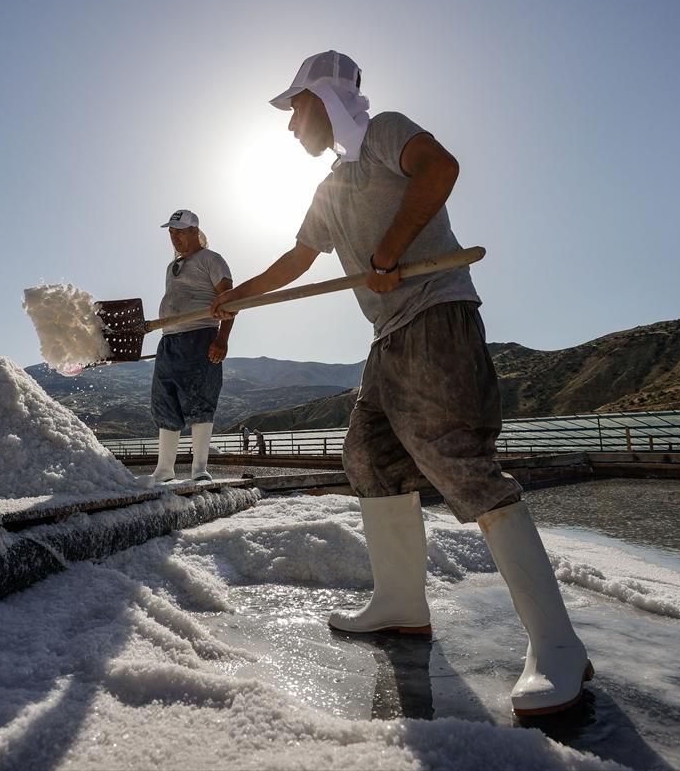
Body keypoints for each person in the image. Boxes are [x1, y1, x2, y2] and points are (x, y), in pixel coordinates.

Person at [211, 51, 591, 716]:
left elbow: (440, 168)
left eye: (294, 107)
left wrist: (388, 253)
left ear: (325, 99)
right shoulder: (329, 189)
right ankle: (401, 605)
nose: (288, 124)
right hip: (389, 339)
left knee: (461, 464)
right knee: (369, 458)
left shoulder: (386, 131)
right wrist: (238, 297)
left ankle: (558, 647)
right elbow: (300, 257)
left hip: (437, 316)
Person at [139, 209, 234, 486]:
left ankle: (199, 469)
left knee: (200, 400)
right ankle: (164, 469)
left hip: (200, 335)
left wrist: (222, 339)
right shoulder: (172, 267)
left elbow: (229, 299)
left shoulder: (211, 259)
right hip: (169, 340)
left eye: (180, 231)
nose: (175, 237)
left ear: (195, 231)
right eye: (171, 232)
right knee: (165, 401)